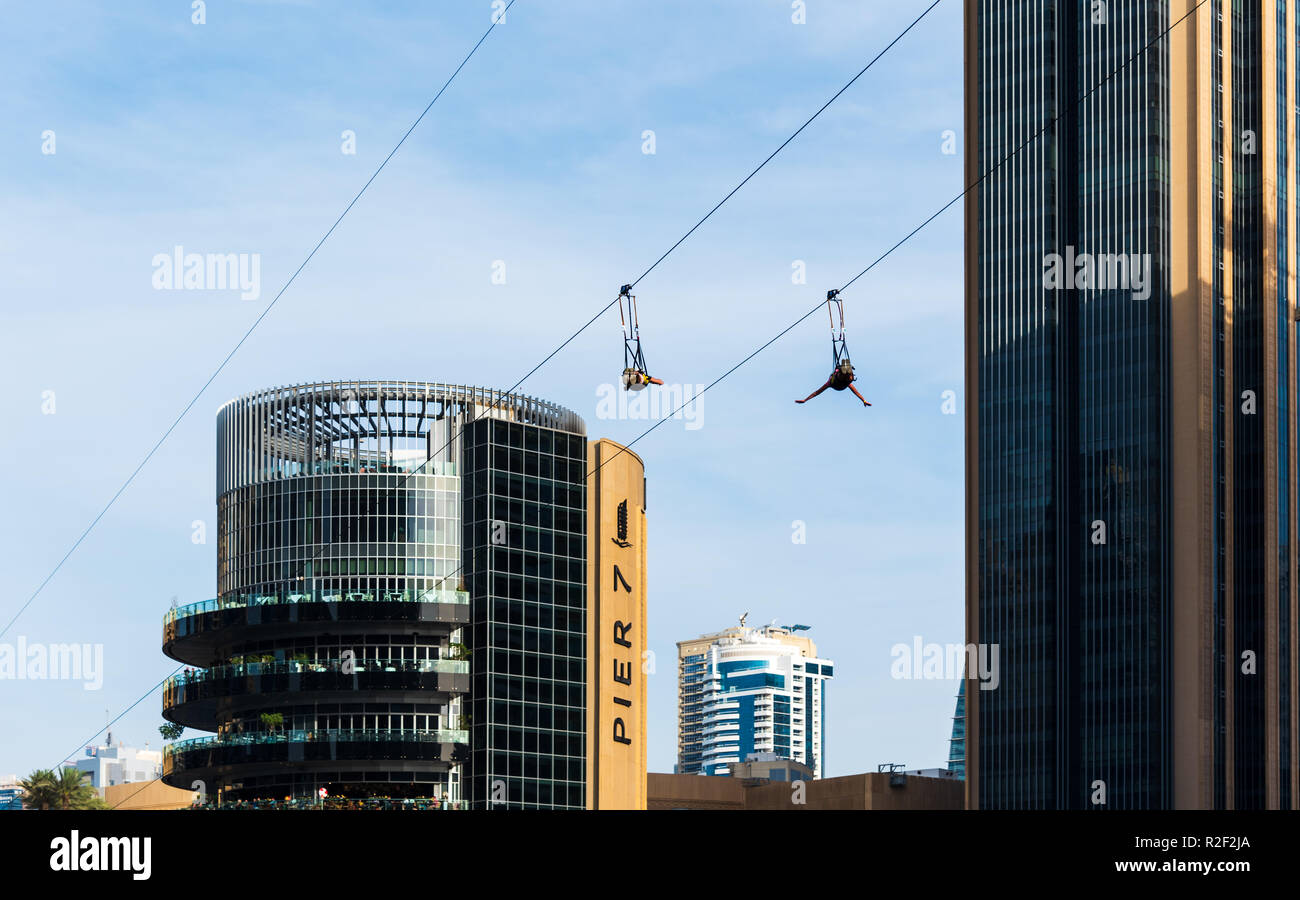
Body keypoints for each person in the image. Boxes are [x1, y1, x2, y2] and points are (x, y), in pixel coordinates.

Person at [796, 358, 870, 406]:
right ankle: (846, 371)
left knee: (846, 365)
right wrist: (805, 400)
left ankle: (846, 370)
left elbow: (856, 392)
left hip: (840, 382)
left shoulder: (833, 381)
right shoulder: (831, 382)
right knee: (846, 370)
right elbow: (817, 392)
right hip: (838, 384)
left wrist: (863, 400)